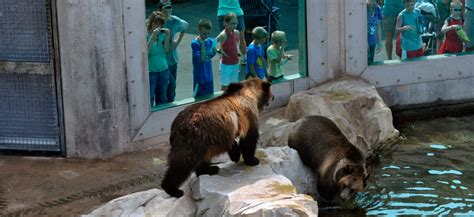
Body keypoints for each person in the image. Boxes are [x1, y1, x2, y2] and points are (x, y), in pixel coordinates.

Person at [157, 0, 189, 103]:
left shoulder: (175, 21)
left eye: (169, 11)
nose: (167, 14)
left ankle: (171, 103)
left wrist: (177, 41)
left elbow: (186, 26)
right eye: (165, 11)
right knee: (162, 86)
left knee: (172, 85)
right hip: (159, 59)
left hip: (172, 59)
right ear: (160, 11)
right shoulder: (156, 21)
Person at [146, 12, 171, 106]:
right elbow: (146, 52)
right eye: (156, 23)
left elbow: (167, 50)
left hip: (164, 71)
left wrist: (167, 37)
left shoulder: (162, 35)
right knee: (150, 98)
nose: (158, 26)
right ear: (151, 23)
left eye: (160, 24)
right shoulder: (146, 35)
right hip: (151, 72)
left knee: (162, 98)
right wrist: (152, 37)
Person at [191, 19, 217, 98]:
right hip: (199, 79)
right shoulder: (195, 43)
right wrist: (202, 45)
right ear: (199, 30)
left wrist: (215, 51)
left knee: (209, 99)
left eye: (208, 33)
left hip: (209, 78)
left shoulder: (210, 41)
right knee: (198, 101)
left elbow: (211, 55)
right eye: (204, 33)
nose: (206, 36)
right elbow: (202, 59)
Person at [217, 12, 241, 90]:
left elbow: (237, 43)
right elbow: (213, 44)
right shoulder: (223, 35)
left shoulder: (236, 33)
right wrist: (220, 52)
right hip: (226, 65)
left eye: (236, 23)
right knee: (224, 87)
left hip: (235, 63)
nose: (234, 25)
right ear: (225, 23)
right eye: (232, 23)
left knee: (234, 86)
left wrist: (238, 52)